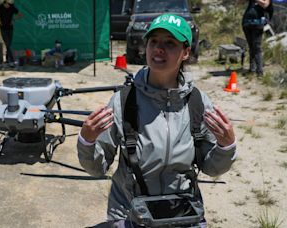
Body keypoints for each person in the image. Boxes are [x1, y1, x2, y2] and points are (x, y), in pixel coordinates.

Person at [77, 14, 237, 227]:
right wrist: (87, 141)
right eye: (154, 42)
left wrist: (227, 147)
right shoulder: (123, 102)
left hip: (182, 214)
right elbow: (97, 169)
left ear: (185, 52)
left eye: (169, 43)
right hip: (130, 213)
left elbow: (211, 168)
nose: (159, 48)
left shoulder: (197, 103)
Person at [241, 0, 273, 77]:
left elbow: (265, 5)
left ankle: (259, 71)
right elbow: (239, 2)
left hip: (258, 24)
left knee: (257, 47)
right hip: (247, 23)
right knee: (251, 47)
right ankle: (252, 69)